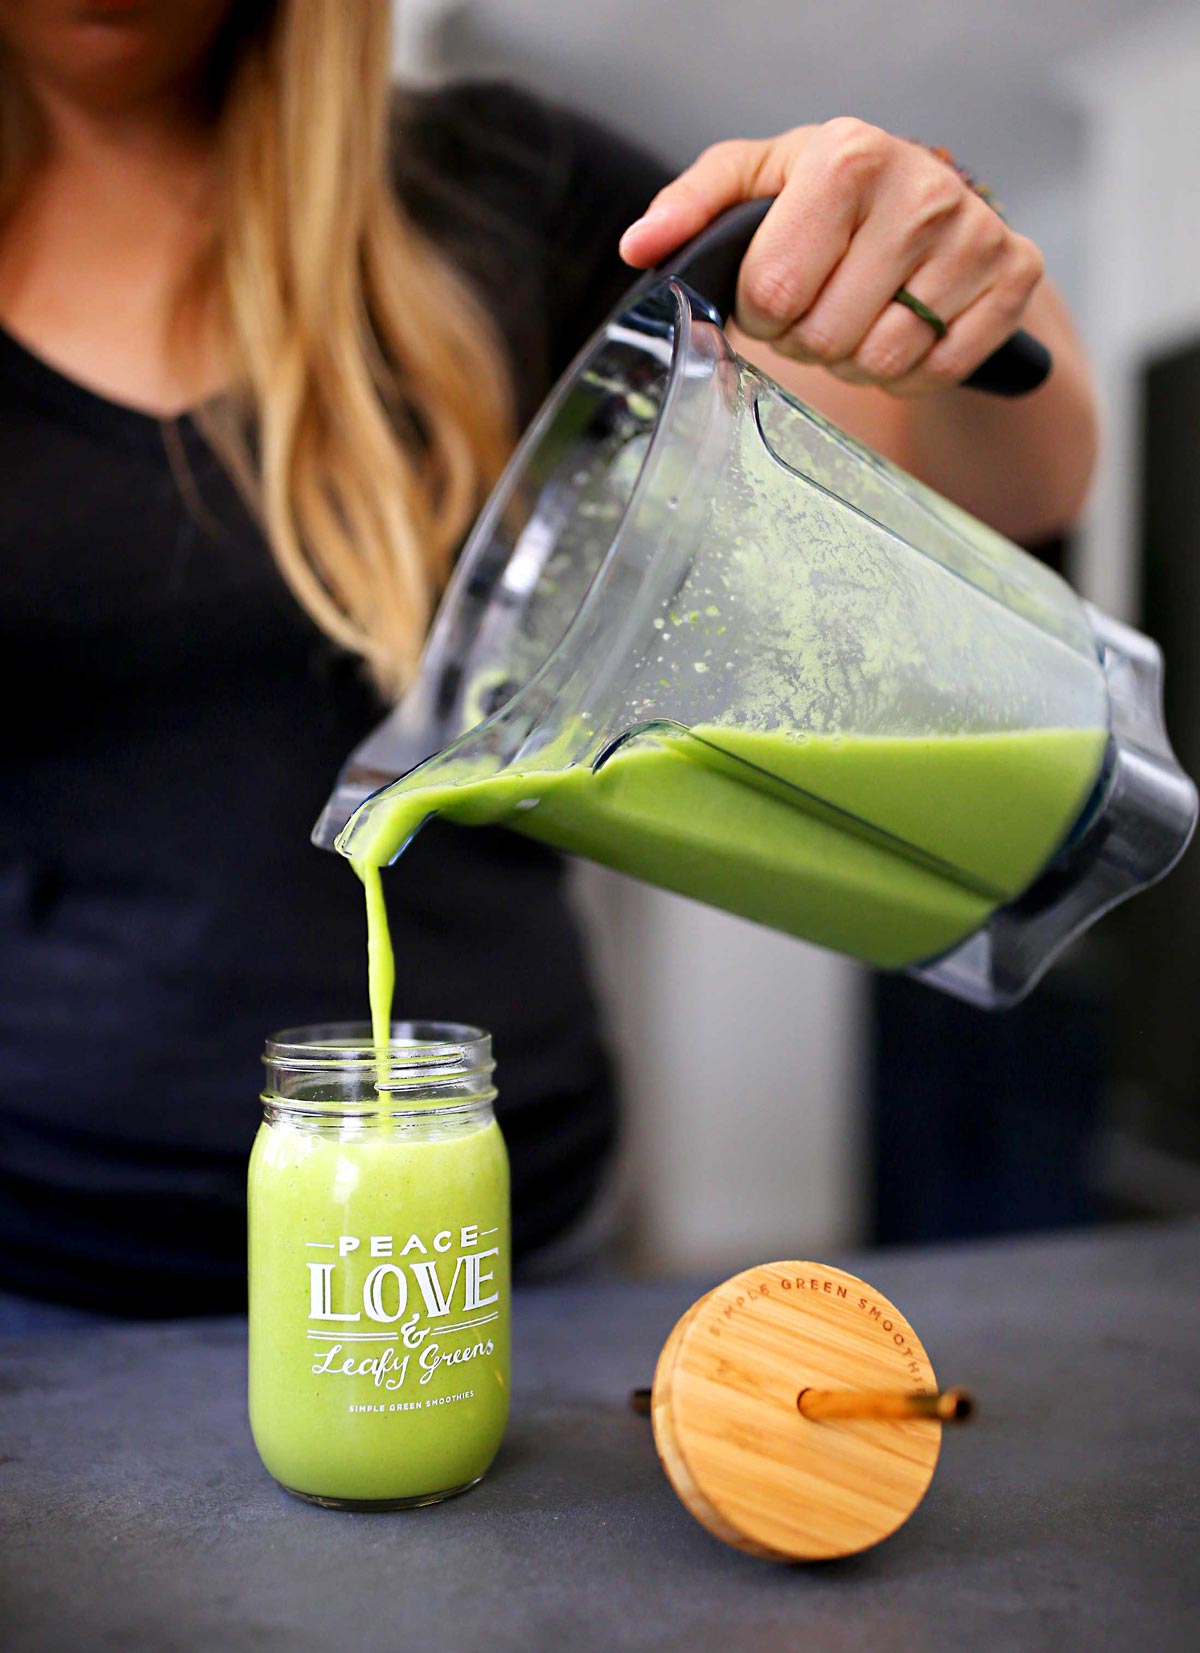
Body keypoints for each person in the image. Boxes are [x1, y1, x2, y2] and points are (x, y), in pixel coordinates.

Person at [0, 0, 1097, 1322]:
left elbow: (989, 489)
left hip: (511, 1252)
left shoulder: (497, 188)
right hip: (46, 1277)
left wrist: (951, 286)